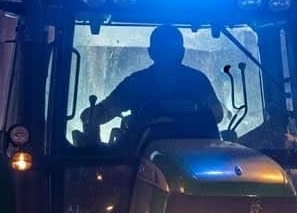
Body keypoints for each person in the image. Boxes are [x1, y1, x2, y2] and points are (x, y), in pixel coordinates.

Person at [82, 24, 225, 138]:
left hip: (196, 156)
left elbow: (217, 113)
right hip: (141, 160)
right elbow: (106, 110)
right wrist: (90, 116)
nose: (168, 56)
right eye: (164, 50)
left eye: (171, 50)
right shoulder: (135, 84)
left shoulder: (198, 81)